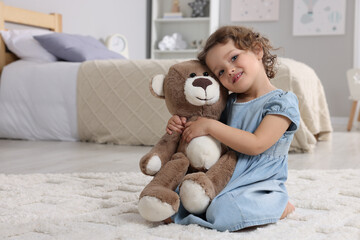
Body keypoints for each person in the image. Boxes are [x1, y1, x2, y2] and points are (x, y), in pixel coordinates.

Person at [166, 25, 300, 232]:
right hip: (226, 174)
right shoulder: (230, 102)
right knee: (179, 193)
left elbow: (257, 144)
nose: (229, 69)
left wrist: (211, 126)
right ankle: (195, 210)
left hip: (260, 182)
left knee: (225, 211)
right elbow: (202, 123)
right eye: (220, 71)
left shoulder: (281, 103)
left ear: (257, 50)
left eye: (234, 58)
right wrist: (181, 124)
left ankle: (279, 205)